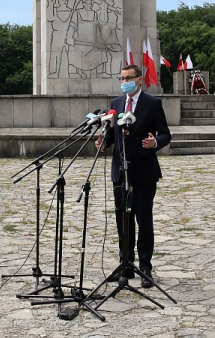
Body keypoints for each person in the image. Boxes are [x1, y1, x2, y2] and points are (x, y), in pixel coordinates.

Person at [95, 64, 171, 288]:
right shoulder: (116, 104)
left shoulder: (153, 103)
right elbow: (111, 134)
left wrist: (155, 142)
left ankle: (145, 266)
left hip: (144, 172)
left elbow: (166, 133)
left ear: (139, 80)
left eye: (128, 77)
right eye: (121, 78)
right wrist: (103, 143)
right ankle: (125, 264)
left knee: (144, 220)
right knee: (122, 220)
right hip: (120, 171)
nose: (124, 81)